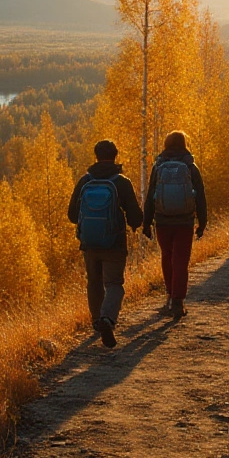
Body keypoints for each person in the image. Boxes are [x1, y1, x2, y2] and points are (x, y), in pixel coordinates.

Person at [68, 139, 143, 348]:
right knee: (114, 284)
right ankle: (107, 319)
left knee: (94, 281)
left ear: (96, 156)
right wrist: (138, 223)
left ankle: (96, 321)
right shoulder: (121, 182)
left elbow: (72, 215)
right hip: (114, 243)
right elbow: (135, 217)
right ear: (115, 155)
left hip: (89, 244)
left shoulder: (85, 181)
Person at [143, 131, 208, 320]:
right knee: (181, 260)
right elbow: (201, 196)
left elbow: (150, 196)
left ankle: (170, 295)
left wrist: (146, 223)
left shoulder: (158, 166)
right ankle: (178, 301)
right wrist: (202, 222)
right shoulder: (190, 166)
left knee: (167, 256)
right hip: (185, 221)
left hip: (162, 220)